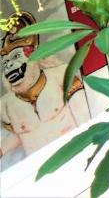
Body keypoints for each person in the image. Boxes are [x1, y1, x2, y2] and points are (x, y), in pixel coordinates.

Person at [1, 14, 90, 168]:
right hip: (39, 168)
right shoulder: (5, 105)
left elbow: (83, 114)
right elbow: (18, 135)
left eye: (16, 56)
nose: (9, 65)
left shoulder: (61, 76)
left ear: (32, 53)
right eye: (6, 61)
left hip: (74, 155)